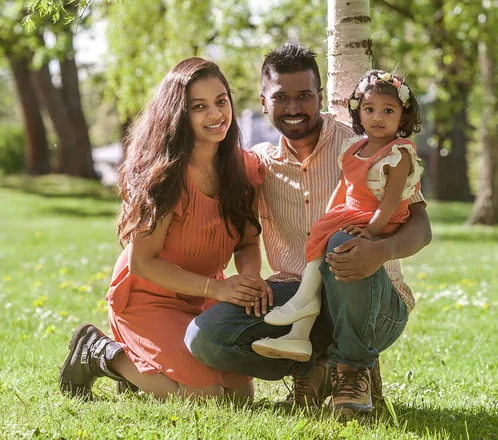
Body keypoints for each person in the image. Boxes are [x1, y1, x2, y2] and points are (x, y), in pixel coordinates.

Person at [185, 43, 432, 415]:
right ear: (263, 102)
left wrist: (381, 250)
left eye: (304, 96)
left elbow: (421, 226)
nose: (294, 107)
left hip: (372, 299)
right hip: (294, 299)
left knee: (344, 240)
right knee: (205, 337)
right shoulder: (259, 166)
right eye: (281, 97)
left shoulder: (366, 147)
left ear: (320, 96)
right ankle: (311, 364)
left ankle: (351, 371)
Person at [58, 57, 270, 401]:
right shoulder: (167, 177)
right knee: (206, 396)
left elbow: (247, 242)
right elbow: (143, 263)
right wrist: (216, 290)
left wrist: (250, 278)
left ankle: (148, 369)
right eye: (199, 106)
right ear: (179, 114)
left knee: (240, 397)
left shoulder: (242, 169)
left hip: (203, 299)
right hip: (146, 299)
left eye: (221, 101)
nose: (216, 115)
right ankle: (100, 353)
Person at [251, 69, 424, 363]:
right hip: (350, 212)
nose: (378, 117)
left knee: (343, 244)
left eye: (388, 111)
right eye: (369, 110)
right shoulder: (353, 148)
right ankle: (299, 337)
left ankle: (351, 368)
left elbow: (393, 201)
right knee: (322, 240)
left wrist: (373, 235)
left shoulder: (399, 153)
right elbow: (344, 187)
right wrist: (329, 218)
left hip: (375, 221)